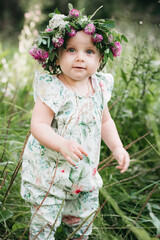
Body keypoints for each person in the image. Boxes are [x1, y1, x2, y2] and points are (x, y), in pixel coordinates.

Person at [21, 4, 130, 240]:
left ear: (101, 58)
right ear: (56, 54)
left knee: (81, 225)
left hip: (83, 175)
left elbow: (105, 121)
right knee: (44, 225)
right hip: (48, 175)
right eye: (71, 50)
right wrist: (61, 144)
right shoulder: (53, 88)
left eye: (89, 51)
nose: (80, 57)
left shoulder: (99, 86)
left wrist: (117, 147)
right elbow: (38, 125)